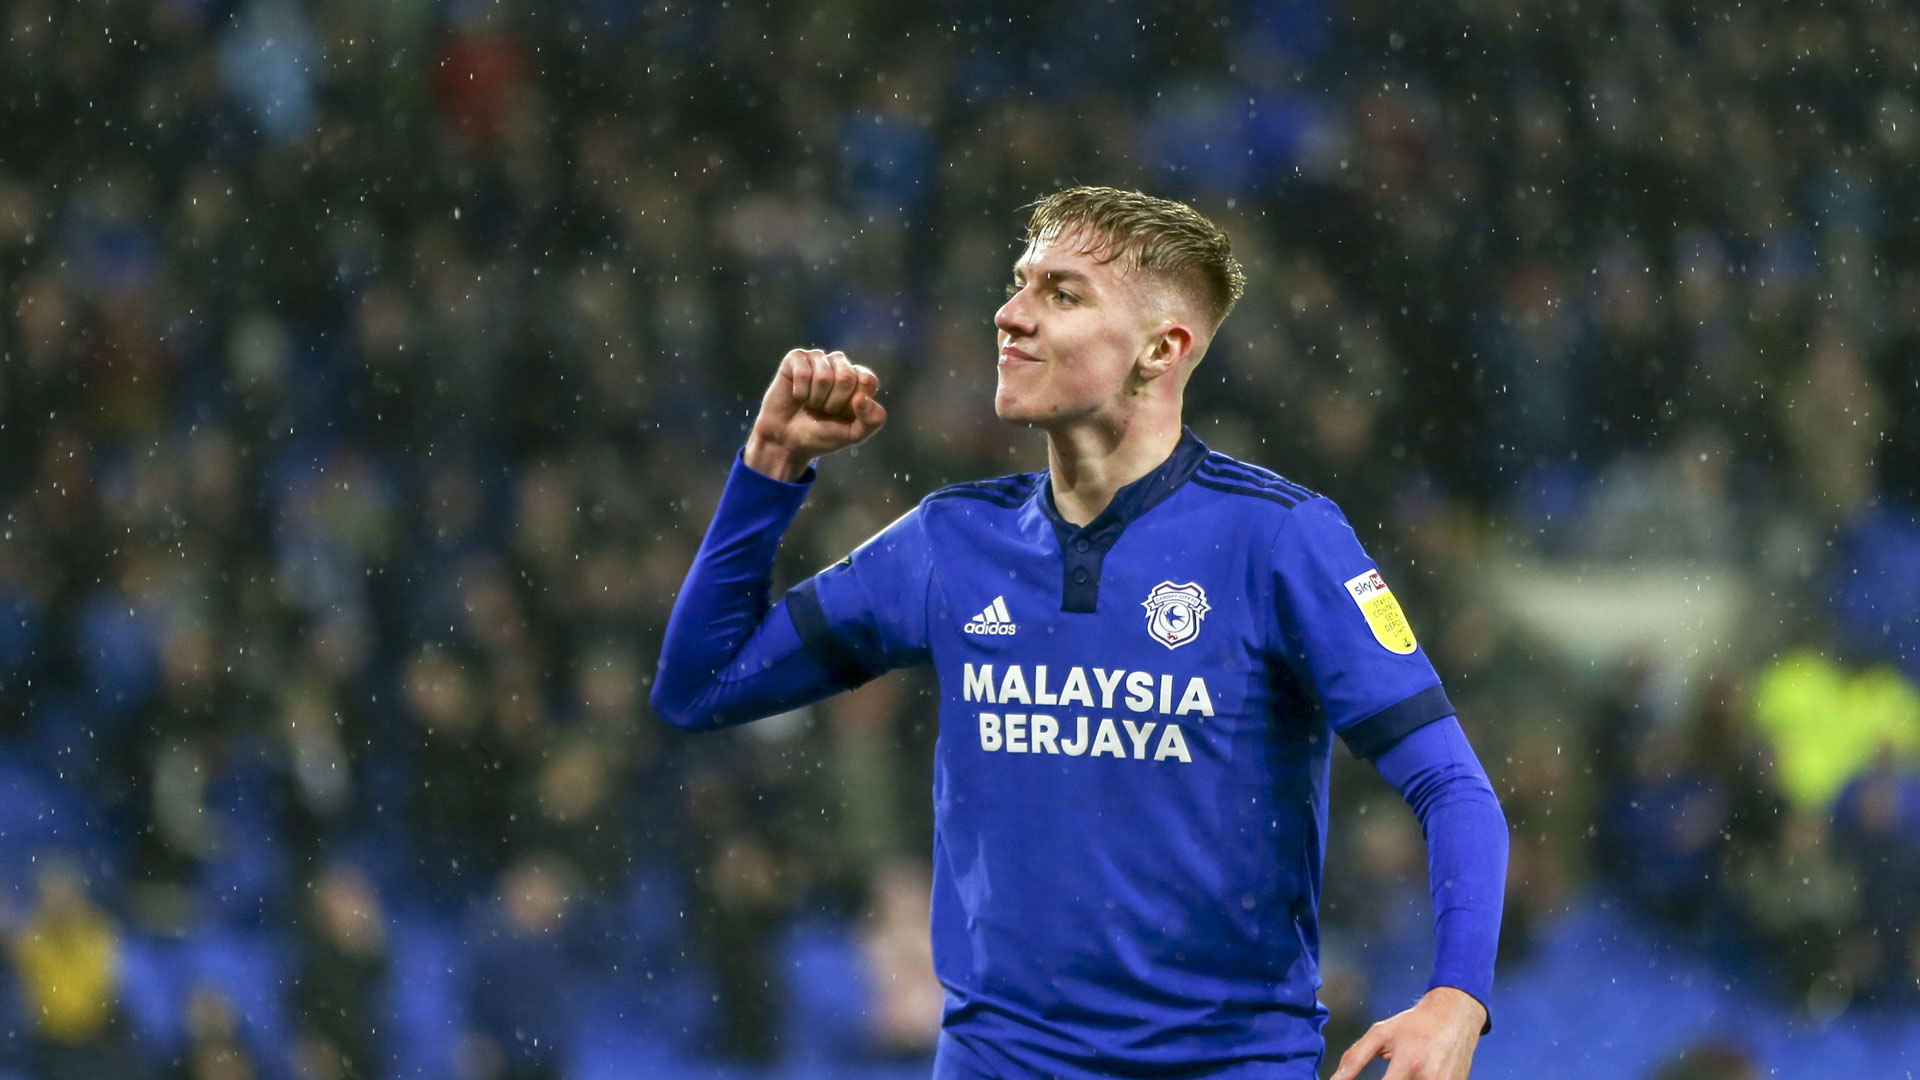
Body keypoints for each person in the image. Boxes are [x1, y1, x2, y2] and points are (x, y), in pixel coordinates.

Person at [653, 187, 1509, 1079]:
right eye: (1020, 284)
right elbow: (700, 687)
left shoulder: (1280, 540)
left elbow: (1452, 785)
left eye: (1061, 294)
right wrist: (770, 467)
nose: (1009, 314)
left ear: (1162, 348)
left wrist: (1456, 997)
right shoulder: (950, 542)